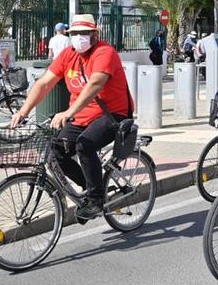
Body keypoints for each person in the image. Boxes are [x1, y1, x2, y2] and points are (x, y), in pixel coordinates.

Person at [10, 14, 132, 220]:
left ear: (95, 34)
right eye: (75, 33)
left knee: (84, 145)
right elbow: (44, 83)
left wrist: (68, 113)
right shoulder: (68, 55)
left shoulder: (105, 52)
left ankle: (95, 200)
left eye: (84, 33)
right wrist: (24, 111)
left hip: (112, 115)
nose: (79, 37)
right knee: (57, 151)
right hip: (82, 116)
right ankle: (91, 186)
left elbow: (95, 85)